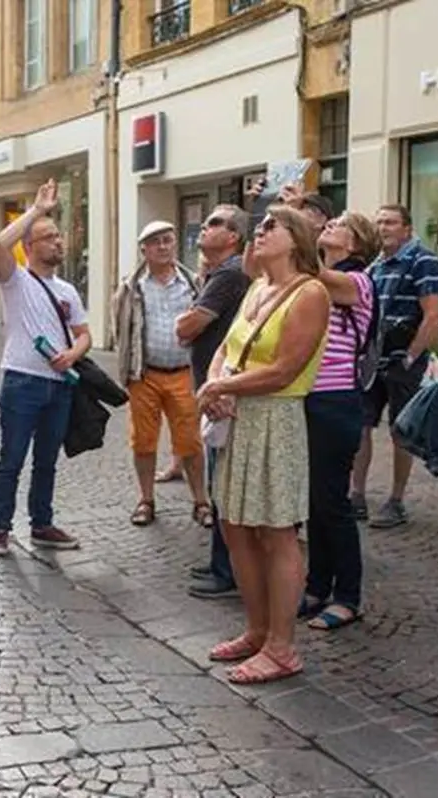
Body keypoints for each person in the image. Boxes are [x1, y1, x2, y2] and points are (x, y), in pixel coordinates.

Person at [197, 206, 330, 684]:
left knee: (276, 533)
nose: (261, 232)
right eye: (260, 227)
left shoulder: (310, 293)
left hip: (275, 419)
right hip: (236, 416)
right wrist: (215, 383)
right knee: (234, 526)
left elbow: (284, 371)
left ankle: (282, 646)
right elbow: (225, 350)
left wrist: (222, 390)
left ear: (296, 239)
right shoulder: (256, 287)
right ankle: (256, 631)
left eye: (271, 226)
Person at [0, 179, 91, 557]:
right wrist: (37, 211)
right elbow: (0, 243)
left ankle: (41, 523)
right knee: (12, 458)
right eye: (48, 237)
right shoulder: (16, 281)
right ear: (29, 247)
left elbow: (84, 334)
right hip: (22, 381)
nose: (58, 242)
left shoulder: (67, 290)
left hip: (60, 383)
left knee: (46, 461)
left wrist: (73, 355)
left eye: (59, 236)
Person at [300, 212, 380, 631]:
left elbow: (308, 268)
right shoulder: (319, 279)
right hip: (311, 398)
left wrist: (296, 227)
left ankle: (348, 596)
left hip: (336, 401)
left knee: (333, 502)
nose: (329, 226)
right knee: (315, 500)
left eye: (339, 224)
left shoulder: (359, 282)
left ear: (356, 244)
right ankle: (317, 586)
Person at [175, 206, 253, 599]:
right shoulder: (219, 273)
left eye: (215, 224)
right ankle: (220, 563)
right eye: (205, 223)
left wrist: (184, 323)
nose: (204, 228)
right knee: (217, 477)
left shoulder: (229, 274)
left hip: (223, 391)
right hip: (215, 387)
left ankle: (228, 571)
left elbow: (188, 326)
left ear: (234, 236)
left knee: (221, 482)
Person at [112, 221, 210, 528]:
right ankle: (146, 500)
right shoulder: (131, 287)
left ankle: (200, 502)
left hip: (184, 373)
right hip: (145, 375)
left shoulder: (194, 283)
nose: (163, 247)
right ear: (144, 250)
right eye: (156, 243)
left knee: (191, 442)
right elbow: (121, 329)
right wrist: (127, 370)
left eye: (168, 240)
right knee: (143, 442)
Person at [353, 204, 438, 528]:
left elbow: (433, 314)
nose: (383, 228)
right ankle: (357, 495)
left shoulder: (423, 260)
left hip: (402, 361)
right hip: (373, 360)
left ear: (406, 228)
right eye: (379, 222)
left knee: (400, 431)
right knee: (361, 426)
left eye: (390, 222)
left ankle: (396, 500)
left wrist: (411, 356)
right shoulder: (375, 266)